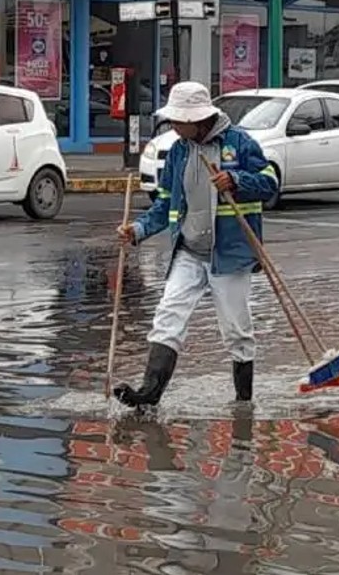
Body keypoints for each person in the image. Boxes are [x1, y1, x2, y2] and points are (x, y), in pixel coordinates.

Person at [115, 81, 279, 409]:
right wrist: (139, 228)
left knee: (236, 330)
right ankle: (149, 394)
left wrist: (237, 181)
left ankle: (243, 400)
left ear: (199, 119)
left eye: (179, 120)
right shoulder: (178, 150)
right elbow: (164, 204)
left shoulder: (240, 144)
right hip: (188, 251)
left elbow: (271, 182)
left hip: (229, 255)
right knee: (168, 315)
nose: (174, 126)